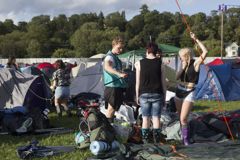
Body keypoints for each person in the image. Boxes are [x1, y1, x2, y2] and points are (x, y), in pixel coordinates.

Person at [174, 32, 208, 145]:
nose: (180, 58)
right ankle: (182, 136)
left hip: (189, 91)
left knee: (183, 118)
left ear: (186, 55)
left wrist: (196, 39)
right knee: (180, 117)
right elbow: (177, 77)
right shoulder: (182, 64)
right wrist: (182, 68)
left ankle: (186, 140)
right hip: (179, 90)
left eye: (181, 56)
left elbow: (205, 52)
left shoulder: (195, 64)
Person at [135, 42, 166, 143]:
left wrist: (137, 96)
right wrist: (164, 97)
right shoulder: (161, 63)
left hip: (143, 94)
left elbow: (137, 82)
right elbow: (163, 82)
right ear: (156, 51)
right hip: (157, 94)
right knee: (156, 118)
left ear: (147, 51)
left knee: (145, 118)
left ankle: (146, 141)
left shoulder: (139, 63)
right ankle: (157, 140)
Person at [103, 36, 127, 123]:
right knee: (111, 109)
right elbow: (107, 67)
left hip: (116, 86)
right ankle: (107, 129)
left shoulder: (115, 57)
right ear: (114, 45)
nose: (121, 50)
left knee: (112, 109)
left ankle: (110, 127)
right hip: (112, 86)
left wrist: (121, 72)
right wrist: (119, 74)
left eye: (122, 48)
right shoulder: (109, 57)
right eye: (119, 48)